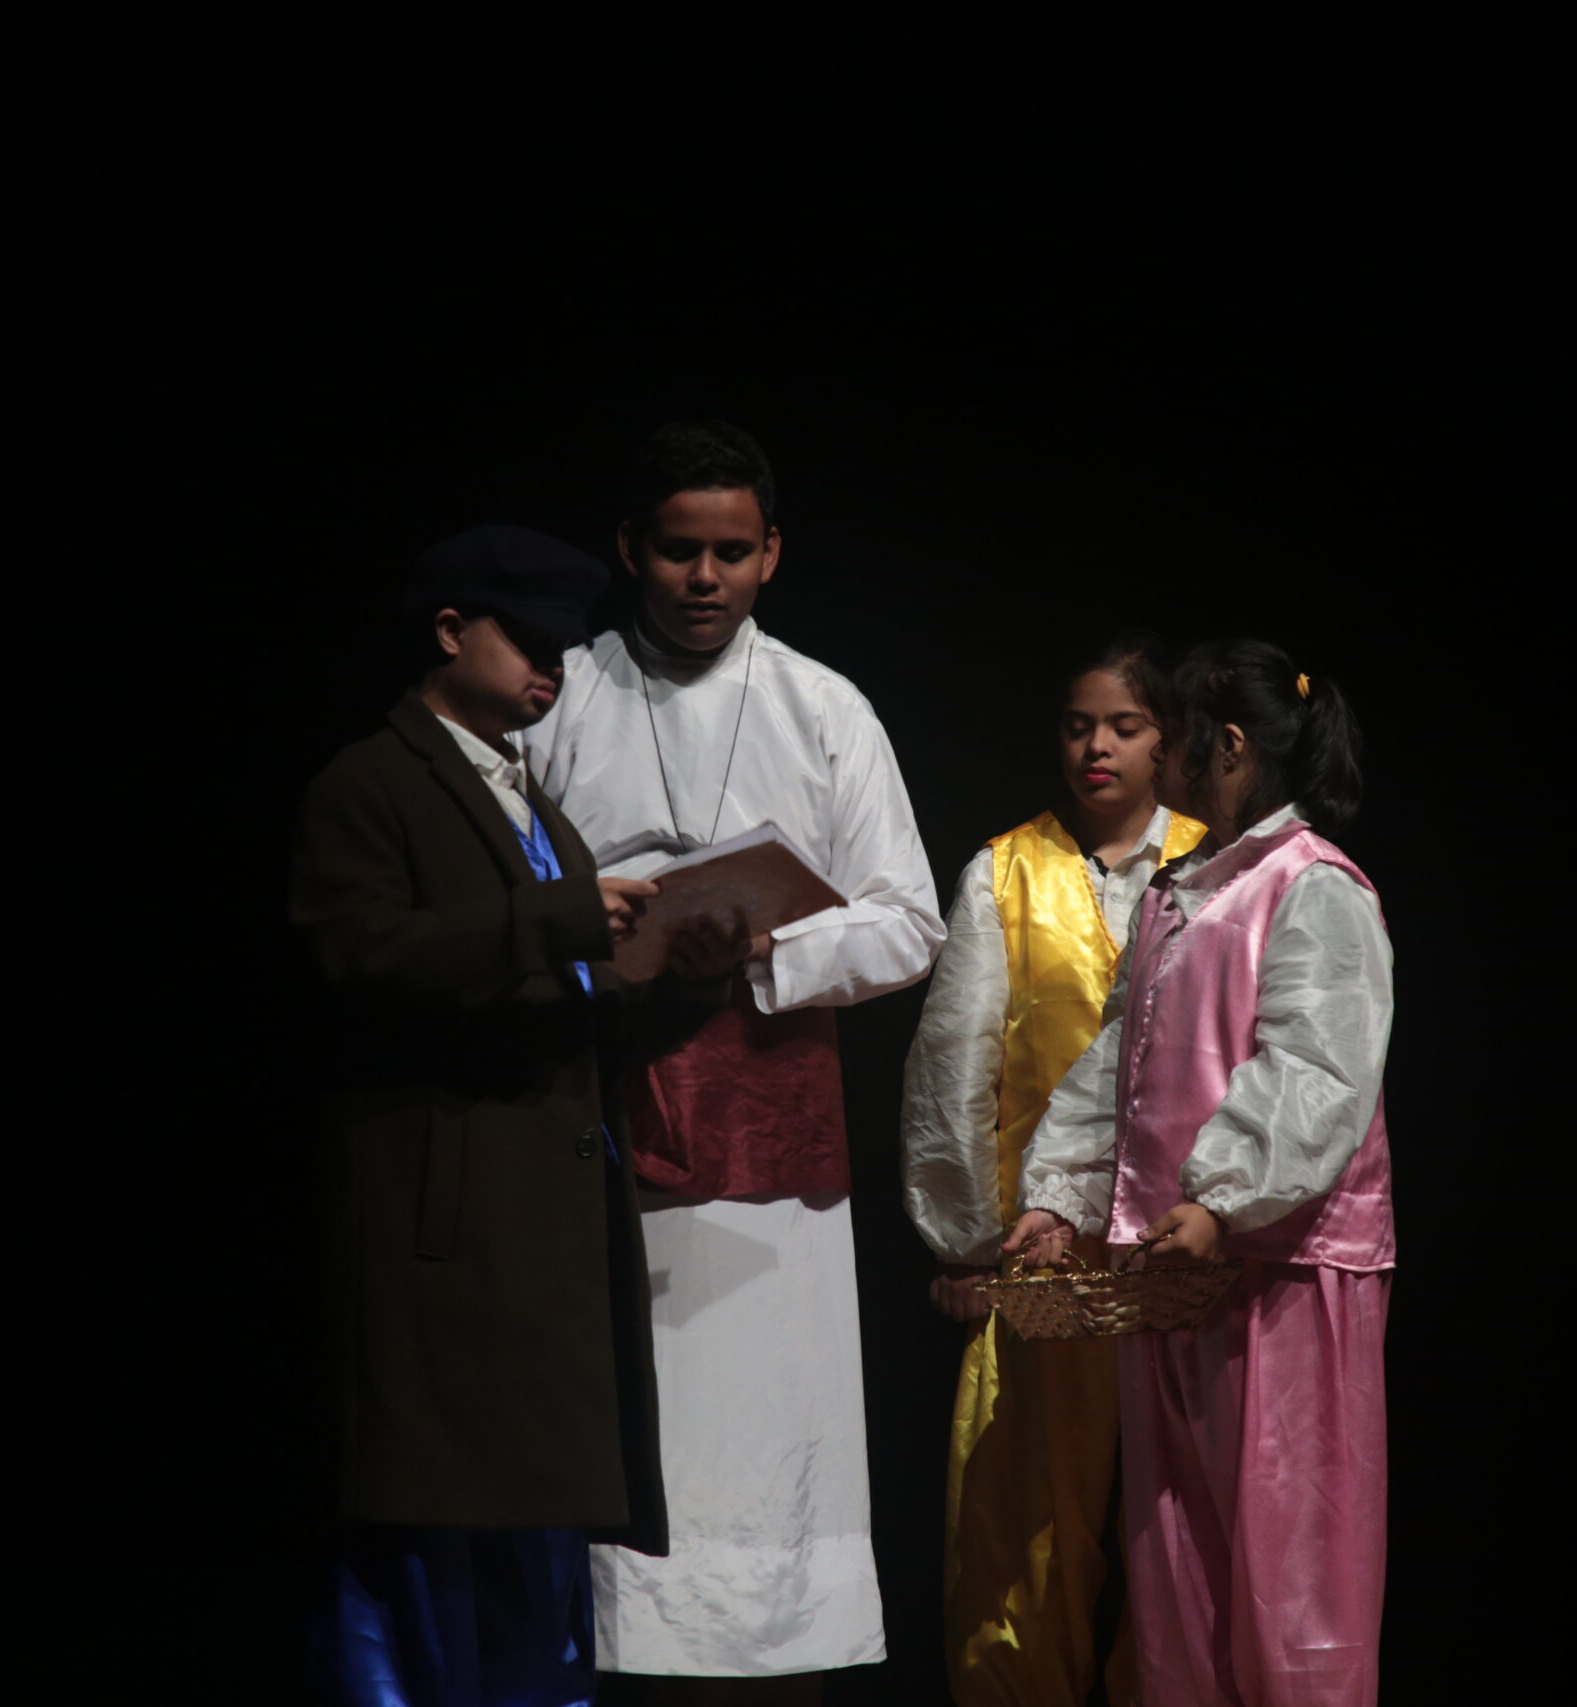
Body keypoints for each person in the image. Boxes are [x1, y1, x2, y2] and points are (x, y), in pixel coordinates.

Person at [518, 421, 945, 1700]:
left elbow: (909, 921)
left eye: (730, 552)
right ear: (628, 550)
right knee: (632, 1417)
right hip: (601, 1097)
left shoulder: (824, 706)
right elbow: (503, 900)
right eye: (677, 550)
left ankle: (776, 1659)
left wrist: (764, 947)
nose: (704, 579)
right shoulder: (562, 694)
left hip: (770, 1112)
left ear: (772, 555)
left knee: (765, 1422)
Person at [290, 524, 748, 1706]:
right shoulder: (371, 782)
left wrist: (689, 978)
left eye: (562, 648)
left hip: (547, 1237)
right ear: (450, 632)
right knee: (435, 1551)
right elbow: (354, 955)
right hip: (449, 1234)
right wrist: (558, 917)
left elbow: (575, 1022)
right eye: (528, 640)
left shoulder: (527, 797)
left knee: (533, 1555)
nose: (550, 666)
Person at [1008, 639, 1395, 1707]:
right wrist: (1059, 1195)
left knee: (1287, 1578)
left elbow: (1316, 1069)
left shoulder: (1312, 887)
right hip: (1175, 1272)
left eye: (1170, 739)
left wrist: (1221, 1199)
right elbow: (1120, 1062)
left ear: (1226, 748)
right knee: (1175, 1574)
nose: (1155, 761)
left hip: (1280, 1273)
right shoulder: (1180, 892)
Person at [901, 637, 1206, 1707]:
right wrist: (966, 1239)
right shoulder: (1006, 869)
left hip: (1184, 1247)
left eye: (1124, 726)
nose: (1096, 747)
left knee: (1177, 1515)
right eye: (1079, 726)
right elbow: (955, 1065)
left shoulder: (1216, 863)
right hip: (1047, 1249)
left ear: (1167, 739)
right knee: (1032, 1510)